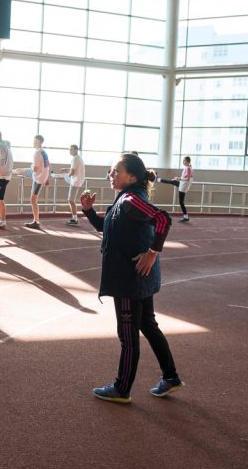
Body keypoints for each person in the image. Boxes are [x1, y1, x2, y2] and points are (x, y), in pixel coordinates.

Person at [80, 153, 183, 404]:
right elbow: (107, 227)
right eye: (111, 170)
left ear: (132, 177)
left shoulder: (131, 199)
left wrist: (153, 252)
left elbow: (162, 218)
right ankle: (170, 377)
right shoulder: (125, 199)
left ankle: (122, 388)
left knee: (128, 336)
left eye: (116, 171)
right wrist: (89, 211)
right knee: (147, 325)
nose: (111, 174)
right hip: (136, 278)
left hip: (129, 280)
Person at [12, 134, 49, 230]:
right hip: (41, 176)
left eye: (34, 141)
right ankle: (36, 221)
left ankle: (36, 221)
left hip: (38, 178)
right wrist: (47, 178)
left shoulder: (37, 153)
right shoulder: (43, 152)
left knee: (33, 200)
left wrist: (32, 167)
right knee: (22, 170)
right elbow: (47, 166)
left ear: (39, 142)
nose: (33, 142)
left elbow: (35, 168)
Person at [157, 156, 193, 222]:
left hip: (183, 185)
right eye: (183, 160)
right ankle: (158, 179)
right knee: (172, 181)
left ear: (188, 161)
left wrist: (178, 178)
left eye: (184, 160)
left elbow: (187, 179)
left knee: (181, 202)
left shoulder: (188, 168)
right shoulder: (188, 168)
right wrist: (178, 178)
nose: (183, 162)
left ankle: (186, 216)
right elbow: (186, 178)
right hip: (182, 184)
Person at [59, 144, 86, 225]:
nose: (70, 151)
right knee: (71, 200)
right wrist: (66, 170)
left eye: (71, 149)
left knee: (71, 200)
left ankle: (75, 219)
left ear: (75, 150)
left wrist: (65, 176)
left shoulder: (75, 159)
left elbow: (72, 172)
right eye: (70, 149)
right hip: (77, 180)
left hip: (75, 181)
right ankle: (74, 218)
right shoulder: (78, 158)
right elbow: (74, 169)